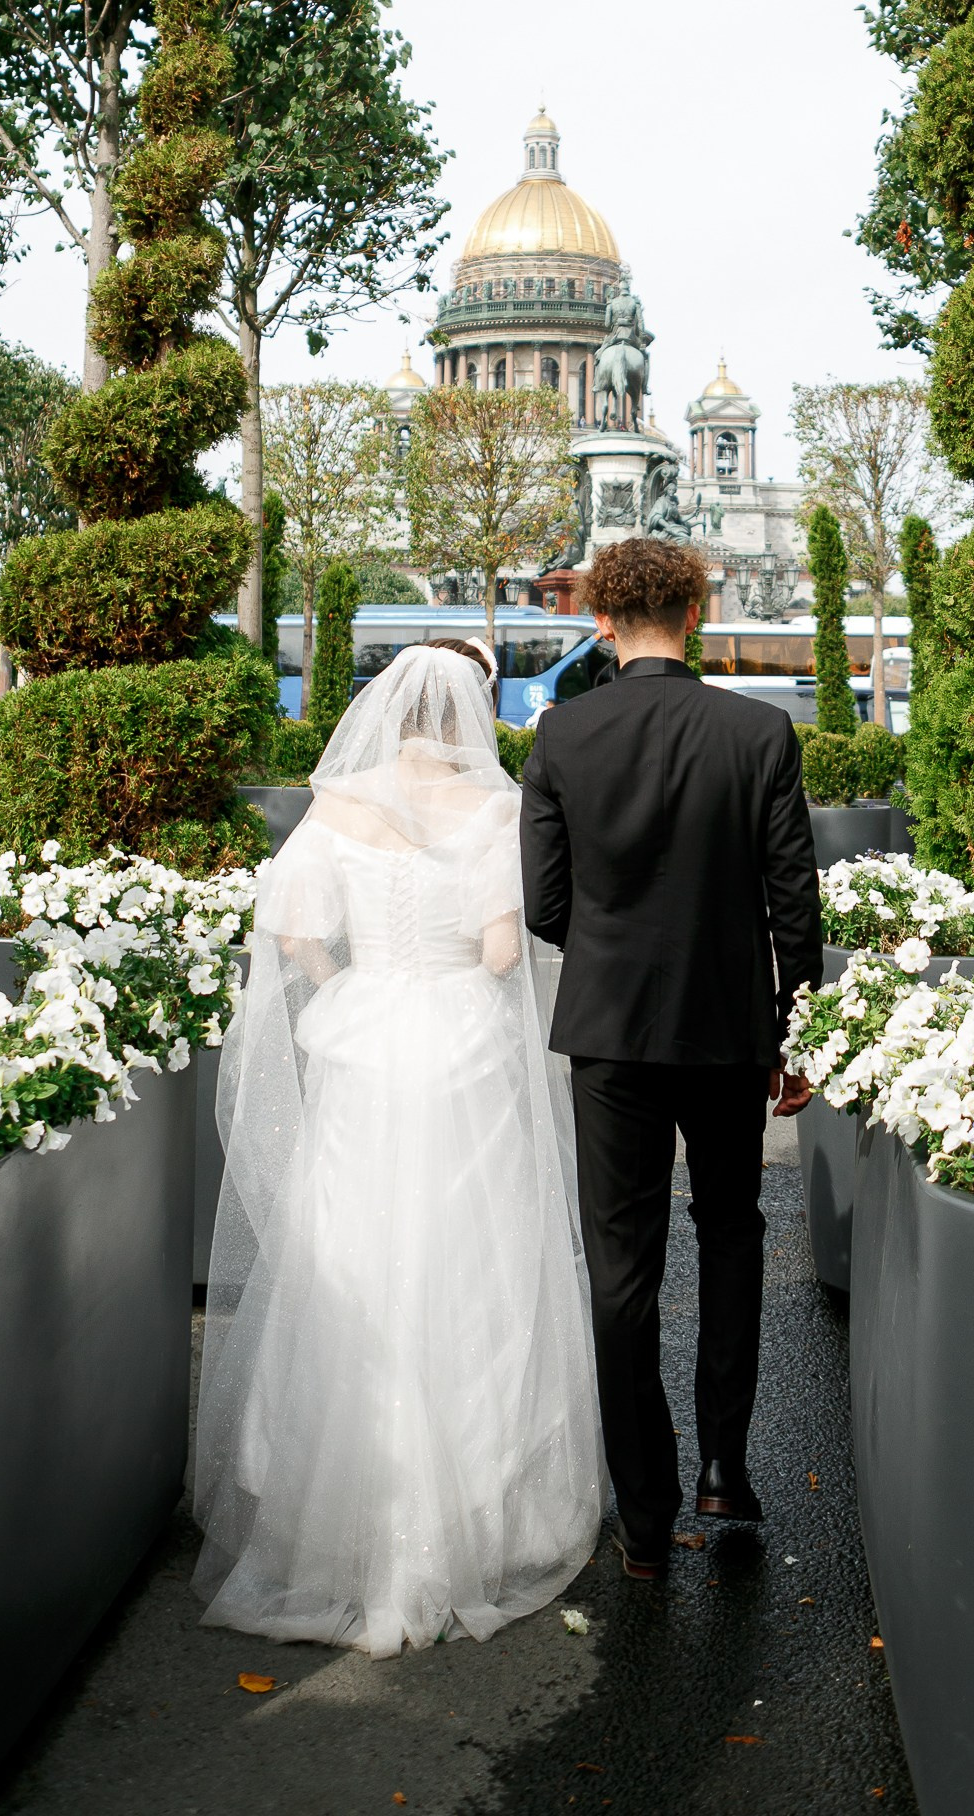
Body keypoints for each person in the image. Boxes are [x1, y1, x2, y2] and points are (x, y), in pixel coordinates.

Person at [191, 642, 602, 1655]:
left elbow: (294, 934)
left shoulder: (339, 804)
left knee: (352, 1247)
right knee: (474, 1258)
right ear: (468, 713)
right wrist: (464, 972)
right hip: (461, 1042)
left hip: (366, 1038)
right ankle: (477, 1512)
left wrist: (351, 987)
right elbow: (502, 951)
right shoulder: (494, 810)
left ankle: (337, 1518)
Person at [518, 535, 821, 1579]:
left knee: (622, 1265)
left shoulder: (562, 735)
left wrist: (614, 948)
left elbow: (544, 905)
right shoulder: (759, 731)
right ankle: (724, 1466)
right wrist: (794, 1029)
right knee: (731, 1230)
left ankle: (643, 1515)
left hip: (610, 1030)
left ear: (601, 620)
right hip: (729, 1025)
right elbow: (793, 900)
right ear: (694, 613)